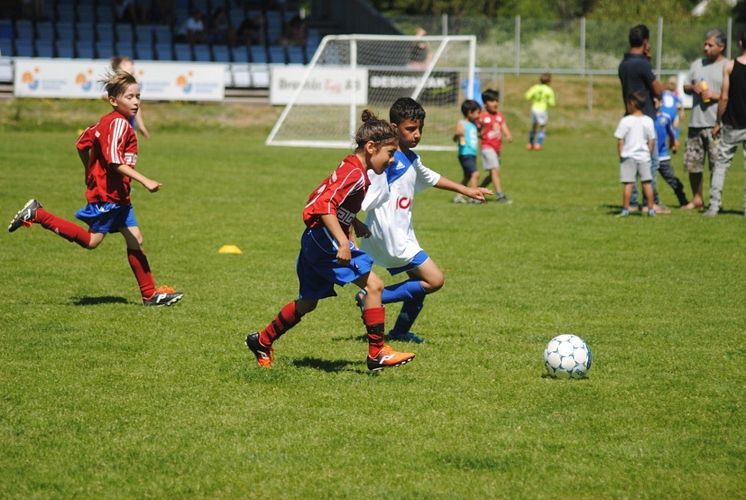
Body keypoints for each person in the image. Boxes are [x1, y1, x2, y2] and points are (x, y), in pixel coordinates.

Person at [245, 111, 416, 371]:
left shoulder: (354, 168)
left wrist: (353, 222)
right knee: (374, 286)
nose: (392, 160)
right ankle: (376, 353)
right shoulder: (355, 173)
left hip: (315, 239)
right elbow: (323, 204)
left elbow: (328, 198)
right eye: (390, 153)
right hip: (325, 240)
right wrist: (343, 242)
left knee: (307, 302)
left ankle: (262, 340)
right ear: (371, 147)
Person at [7, 71, 183, 307]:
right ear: (113, 100)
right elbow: (113, 160)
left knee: (135, 238)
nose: (136, 101)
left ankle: (150, 295)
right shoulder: (119, 124)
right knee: (92, 241)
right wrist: (145, 180)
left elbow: (81, 144)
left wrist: (88, 172)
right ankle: (38, 214)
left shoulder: (106, 121)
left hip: (118, 195)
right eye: (130, 97)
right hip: (108, 195)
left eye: (138, 96)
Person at [355, 97, 489, 344]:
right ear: (395, 128)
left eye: (420, 129)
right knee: (434, 280)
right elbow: (359, 191)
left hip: (393, 235)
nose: (417, 135)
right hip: (391, 235)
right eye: (410, 129)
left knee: (419, 283)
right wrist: (354, 221)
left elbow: (433, 177)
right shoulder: (389, 161)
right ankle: (372, 297)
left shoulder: (410, 159)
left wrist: (466, 189)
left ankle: (400, 331)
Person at [618, 24, 668, 214]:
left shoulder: (624, 64)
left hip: (629, 117)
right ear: (646, 41)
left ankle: (630, 203)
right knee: (650, 162)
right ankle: (652, 203)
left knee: (630, 161)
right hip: (645, 118)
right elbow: (657, 89)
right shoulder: (642, 64)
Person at [682, 29, 727, 210]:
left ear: (721, 47)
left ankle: (715, 202)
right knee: (693, 165)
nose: (705, 48)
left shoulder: (727, 66)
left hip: (716, 124)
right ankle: (697, 199)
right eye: (705, 44)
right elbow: (685, 86)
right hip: (696, 123)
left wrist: (714, 95)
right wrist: (693, 88)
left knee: (716, 166)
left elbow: (731, 94)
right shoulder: (697, 64)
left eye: (710, 45)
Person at [706, 31, 746, 217]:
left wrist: (717, 122)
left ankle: (714, 206)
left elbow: (724, 97)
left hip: (732, 124)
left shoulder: (730, 66)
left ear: (740, 43)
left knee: (721, 165)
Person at [614, 91, 656, 217]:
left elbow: (620, 139)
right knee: (647, 183)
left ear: (631, 104)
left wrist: (621, 154)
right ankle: (650, 209)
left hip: (628, 156)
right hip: (644, 157)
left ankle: (626, 210)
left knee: (628, 184)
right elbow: (651, 140)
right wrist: (648, 152)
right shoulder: (648, 121)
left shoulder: (626, 121)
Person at [478, 88, 513, 203]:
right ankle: (500, 195)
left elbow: (503, 127)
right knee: (494, 170)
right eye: (492, 101)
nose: (495, 103)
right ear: (485, 103)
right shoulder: (482, 117)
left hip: (497, 149)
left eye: (496, 101)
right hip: (487, 147)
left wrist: (508, 135)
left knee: (494, 173)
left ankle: (478, 190)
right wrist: (481, 130)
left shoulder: (499, 116)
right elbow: (478, 132)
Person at [654, 97, 689, 207]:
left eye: (656, 100)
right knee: (650, 181)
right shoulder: (647, 118)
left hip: (663, 156)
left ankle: (683, 199)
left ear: (661, 103)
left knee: (672, 179)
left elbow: (671, 132)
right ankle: (654, 202)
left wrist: (673, 143)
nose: (654, 102)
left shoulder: (666, 117)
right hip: (649, 157)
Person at [111, 56, 150, 139]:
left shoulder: (131, 81)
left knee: (132, 146)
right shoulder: (119, 81)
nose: (131, 64)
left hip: (130, 121)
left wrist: (140, 125)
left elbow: (136, 105)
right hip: (121, 121)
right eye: (127, 63)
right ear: (121, 67)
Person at [452, 99, 482, 204]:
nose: (479, 115)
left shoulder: (474, 124)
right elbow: (455, 138)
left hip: (472, 154)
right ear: (470, 113)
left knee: (467, 176)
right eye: (478, 112)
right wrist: (458, 134)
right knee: (475, 173)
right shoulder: (462, 123)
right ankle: (473, 196)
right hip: (465, 153)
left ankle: (458, 196)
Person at [524, 73, 556, 151]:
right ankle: (538, 144)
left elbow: (527, 96)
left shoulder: (535, 87)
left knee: (534, 126)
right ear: (549, 81)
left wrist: (534, 98)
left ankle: (530, 143)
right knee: (542, 127)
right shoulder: (549, 90)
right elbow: (552, 103)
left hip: (534, 109)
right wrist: (546, 101)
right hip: (542, 110)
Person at [660, 76, 684, 141]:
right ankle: (663, 139)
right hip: (664, 113)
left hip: (673, 114)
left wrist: (682, 111)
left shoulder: (675, 94)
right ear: (667, 83)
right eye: (671, 83)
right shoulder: (663, 93)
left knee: (676, 123)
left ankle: (675, 140)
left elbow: (680, 102)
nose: (672, 85)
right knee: (662, 126)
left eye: (674, 84)